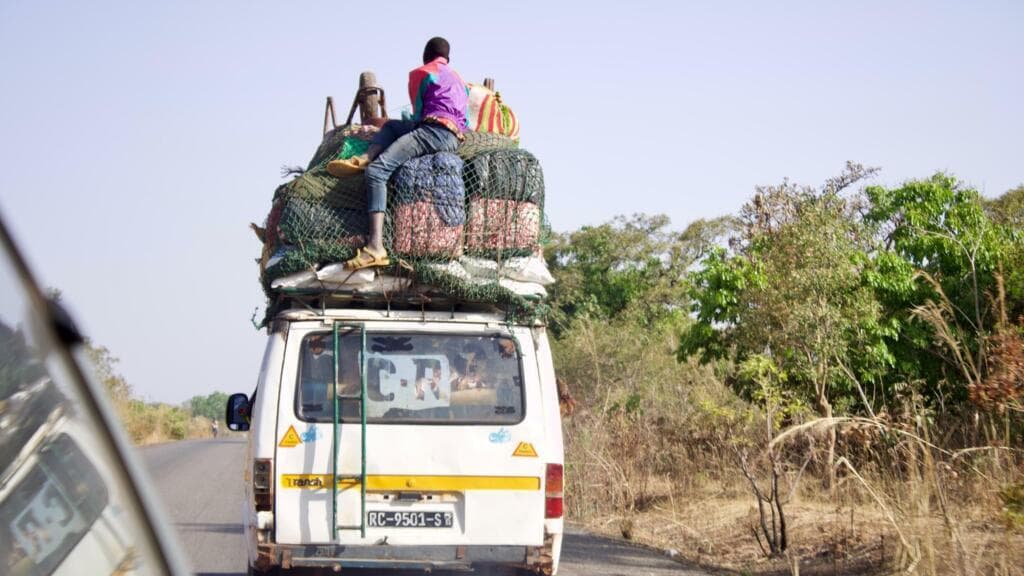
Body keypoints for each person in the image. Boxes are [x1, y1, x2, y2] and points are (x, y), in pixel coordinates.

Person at [327, 37, 468, 270]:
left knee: (377, 172)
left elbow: (418, 113)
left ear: (426, 54)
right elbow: (465, 121)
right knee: (391, 126)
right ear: (447, 57)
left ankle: (376, 248)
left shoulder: (421, 72)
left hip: (432, 131)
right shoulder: (460, 80)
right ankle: (365, 157)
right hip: (453, 137)